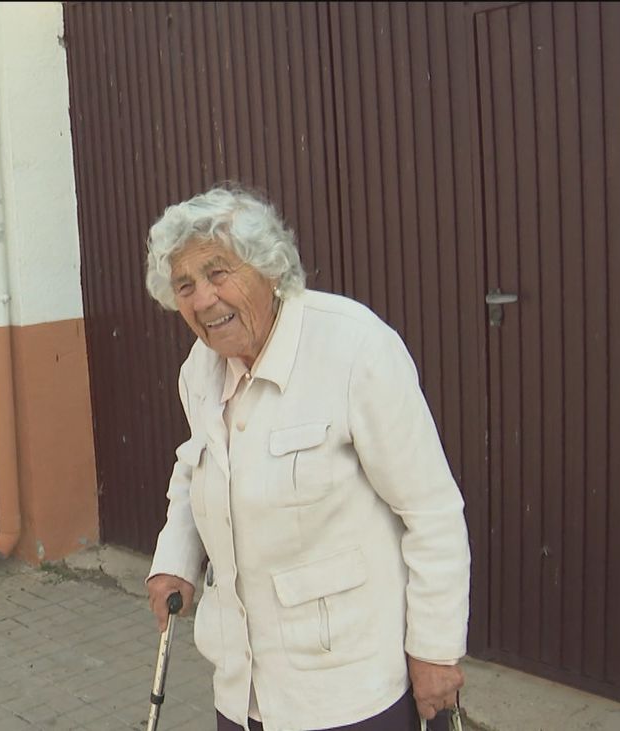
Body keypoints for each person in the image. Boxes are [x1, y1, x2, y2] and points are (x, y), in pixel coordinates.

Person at [143, 185, 470, 730]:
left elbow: (431, 512)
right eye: (185, 285)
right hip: (244, 685)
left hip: (348, 689)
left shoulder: (353, 348)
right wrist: (174, 561)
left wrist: (435, 651)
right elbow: (195, 465)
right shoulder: (199, 369)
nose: (202, 299)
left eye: (218, 273)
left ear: (268, 267)